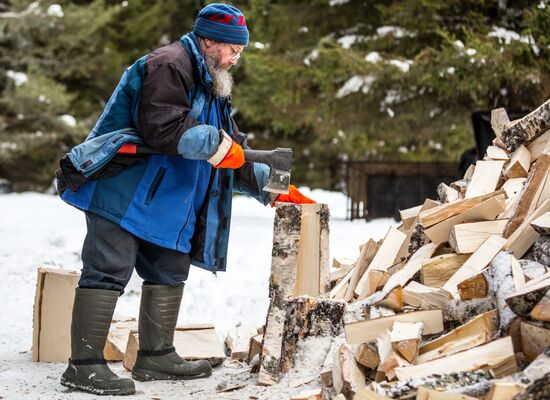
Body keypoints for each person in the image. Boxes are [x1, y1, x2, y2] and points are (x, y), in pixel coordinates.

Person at [56, 3, 315, 396]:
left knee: (170, 266)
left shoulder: (212, 81)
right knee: (109, 267)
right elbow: (162, 126)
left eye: (239, 52)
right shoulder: (168, 64)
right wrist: (219, 145)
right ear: (209, 39)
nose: (235, 58)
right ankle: (84, 366)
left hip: (165, 198)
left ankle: (156, 356)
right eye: (232, 49)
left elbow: (232, 150)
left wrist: (273, 188)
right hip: (125, 188)